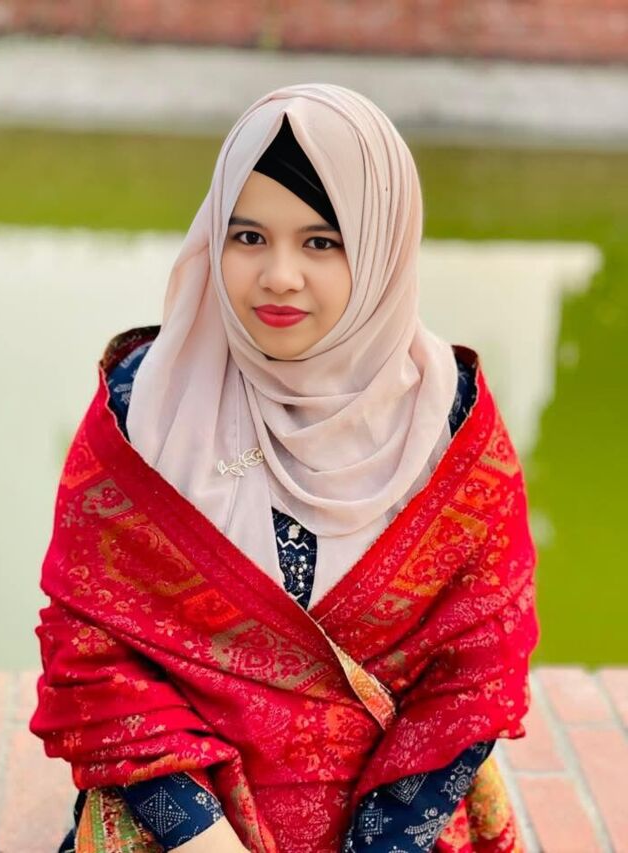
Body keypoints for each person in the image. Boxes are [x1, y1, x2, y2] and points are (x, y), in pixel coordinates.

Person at [29, 84, 539, 853]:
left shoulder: (451, 425)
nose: (278, 276)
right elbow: (90, 651)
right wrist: (200, 835)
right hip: (185, 820)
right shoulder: (144, 412)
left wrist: (385, 841)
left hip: (398, 820)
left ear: (383, 244)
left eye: (321, 242)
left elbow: (478, 664)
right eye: (248, 236)